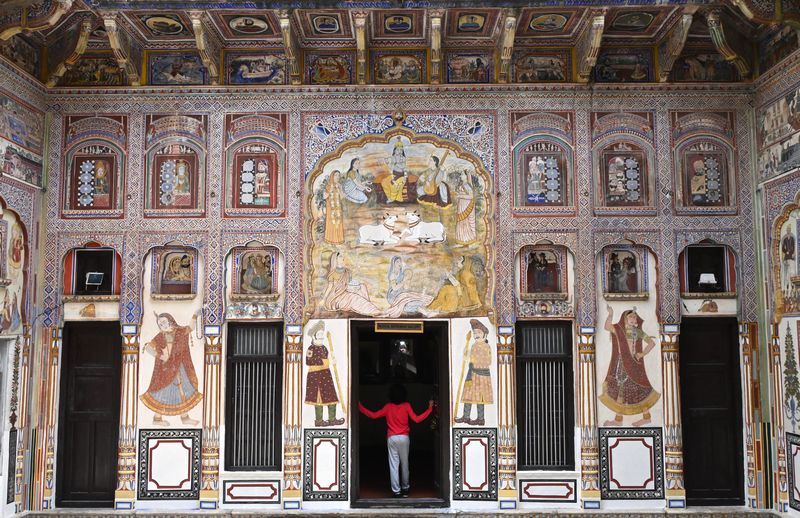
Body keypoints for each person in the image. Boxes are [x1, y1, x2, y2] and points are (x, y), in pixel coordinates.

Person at [359, 384, 433, 498]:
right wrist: (430, 409)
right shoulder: (407, 406)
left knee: (394, 465)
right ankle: (406, 488)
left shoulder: (388, 407)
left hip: (392, 438)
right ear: (404, 396)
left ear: (390, 396)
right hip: (404, 438)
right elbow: (417, 419)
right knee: (405, 464)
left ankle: (396, 491)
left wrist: (359, 406)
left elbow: (373, 415)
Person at [599, 305, 660, 427]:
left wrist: (642, 354)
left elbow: (651, 343)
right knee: (620, 388)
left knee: (640, 388)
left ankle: (646, 417)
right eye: (631, 317)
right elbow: (606, 326)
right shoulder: (618, 329)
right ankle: (618, 419)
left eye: (635, 317)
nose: (633, 319)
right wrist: (610, 314)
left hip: (633, 363)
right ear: (625, 318)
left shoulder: (638, 332)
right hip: (621, 363)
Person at [140, 312, 202, 426]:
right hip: (165, 369)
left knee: (182, 390)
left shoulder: (180, 332)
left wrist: (194, 315)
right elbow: (148, 347)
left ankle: (185, 417)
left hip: (179, 366)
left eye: (163, 322)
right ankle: (157, 418)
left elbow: (191, 327)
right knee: (162, 391)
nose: (162, 325)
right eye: (160, 323)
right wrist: (160, 356)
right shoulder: (160, 336)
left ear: (170, 320)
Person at [454, 319, 493, 425]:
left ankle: (481, 419)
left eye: (479, 332)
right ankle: (466, 416)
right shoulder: (473, 345)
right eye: (475, 333)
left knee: (480, 397)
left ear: (484, 334)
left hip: (481, 374)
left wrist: (472, 360)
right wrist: (466, 354)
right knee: (468, 396)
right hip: (472, 373)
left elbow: (488, 361)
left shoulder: (486, 346)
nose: (476, 335)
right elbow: (469, 358)